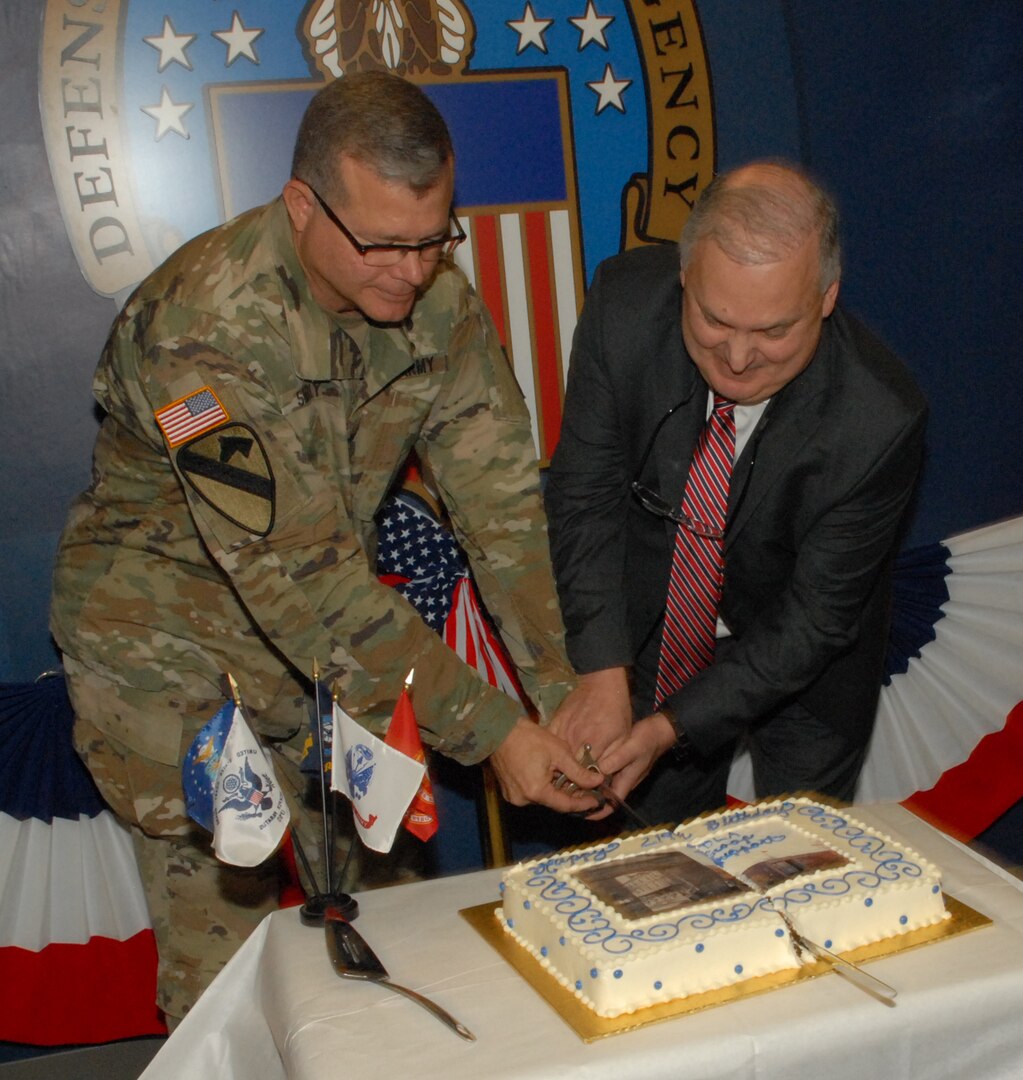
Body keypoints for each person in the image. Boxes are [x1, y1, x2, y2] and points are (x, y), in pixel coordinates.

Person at [50, 71, 599, 1023]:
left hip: (327, 654)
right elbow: (295, 584)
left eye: (433, 239)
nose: (412, 270)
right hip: (166, 651)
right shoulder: (206, 328)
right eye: (383, 243)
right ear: (302, 206)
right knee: (230, 955)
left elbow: (503, 511)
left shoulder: (435, 302)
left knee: (382, 929)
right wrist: (492, 730)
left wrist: (563, 697)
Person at [546, 161, 927, 826]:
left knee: (788, 864)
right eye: (715, 320)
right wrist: (603, 671)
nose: (739, 357)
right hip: (655, 634)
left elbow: (813, 621)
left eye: (775, 330)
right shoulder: (623, 309)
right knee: (654, 864)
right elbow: (584, 496)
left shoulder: (879, 419)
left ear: (827, 297)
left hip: (803, 666)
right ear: (684, 276)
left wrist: (670, 727)